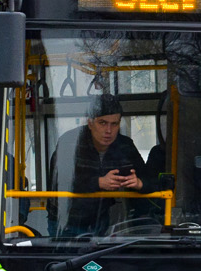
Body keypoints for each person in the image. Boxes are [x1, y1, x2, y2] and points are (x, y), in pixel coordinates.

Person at [49, 94, 152, 235]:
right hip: (66, 221)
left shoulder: (125, 146)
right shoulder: (69, 142)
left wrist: (139, 183)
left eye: (114, 124)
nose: (108, 131)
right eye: (102, 123)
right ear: (90, 123)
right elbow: (58, 182)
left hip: (102, 220)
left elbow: (150, 179)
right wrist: (98, 183)